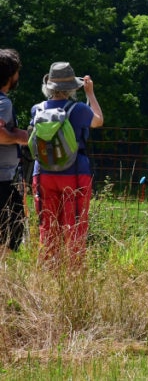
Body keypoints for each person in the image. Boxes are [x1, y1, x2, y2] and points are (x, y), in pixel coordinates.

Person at [30, 61, 103, 269]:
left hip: (42, 173)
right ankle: (73, 274)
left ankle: (48, 273)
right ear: (72, 88)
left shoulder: (37, 109)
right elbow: (98, 120)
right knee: (75, 226)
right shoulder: (79, 109)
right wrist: (90, 94)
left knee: (47, 226)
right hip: (75, 174)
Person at [0, 49, 29, 262]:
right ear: (10, 75)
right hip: (1, 180)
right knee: (11, 232)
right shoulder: (3, 103)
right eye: (17, 72)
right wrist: (18, 138)